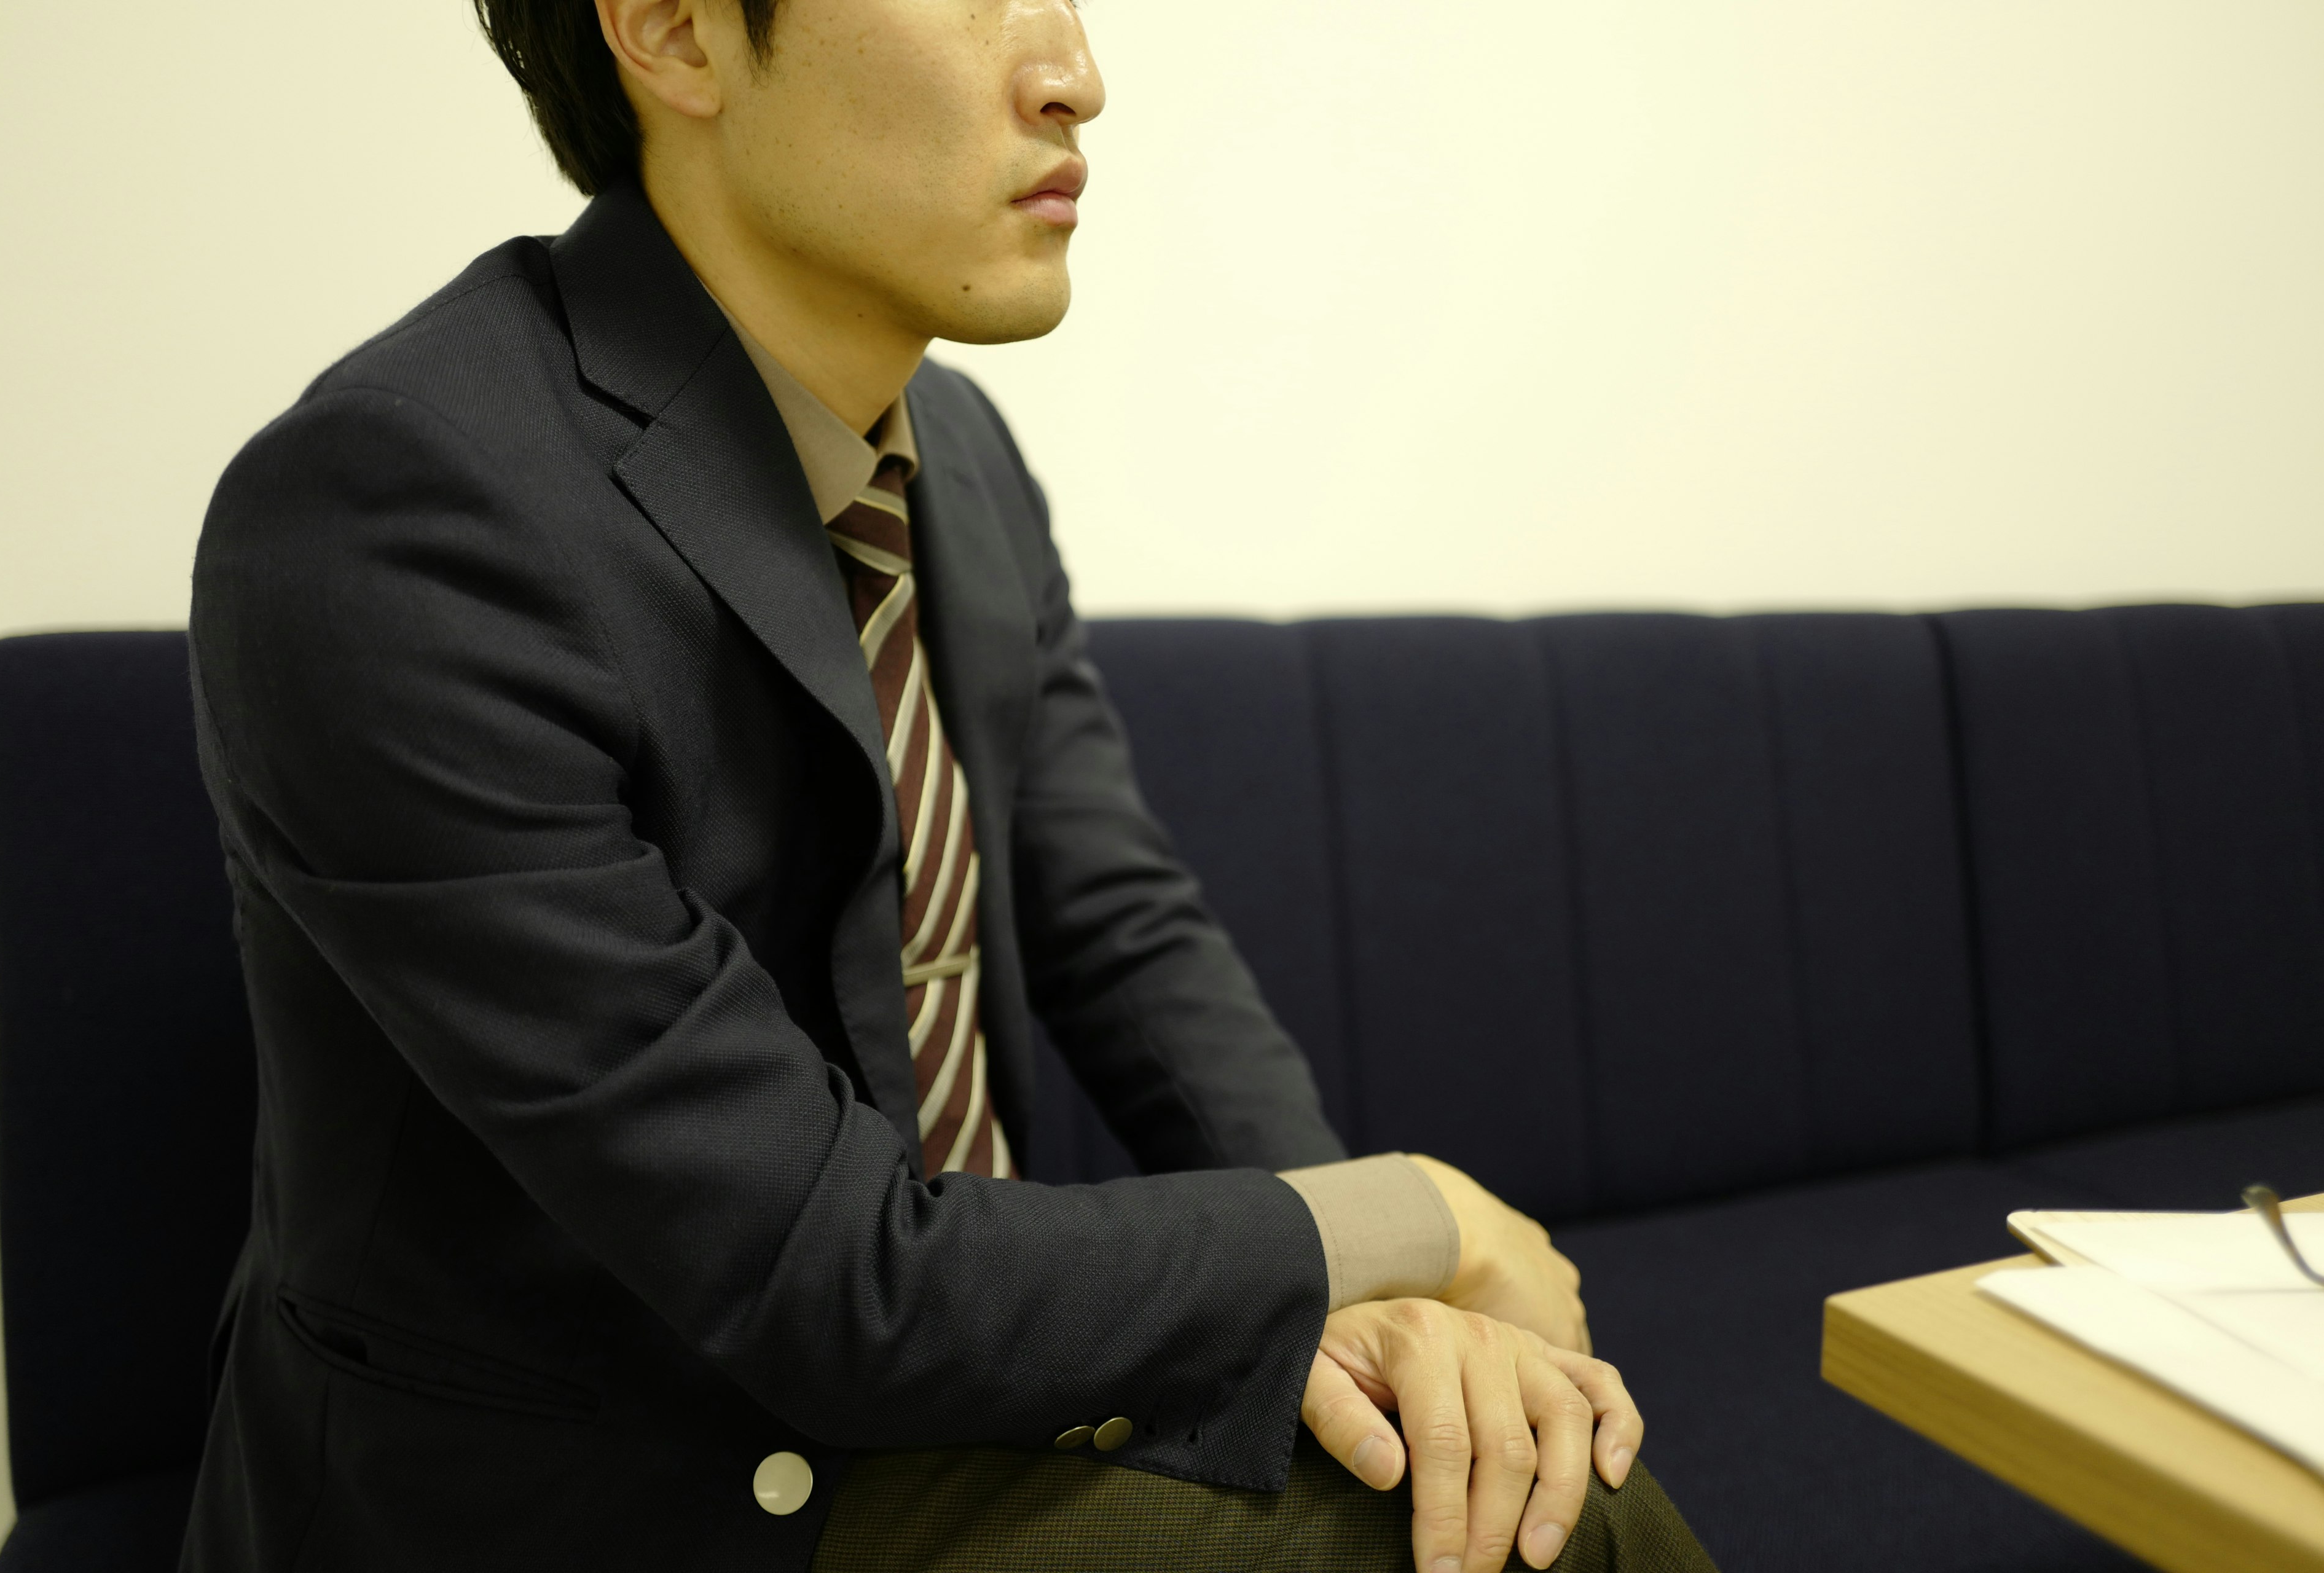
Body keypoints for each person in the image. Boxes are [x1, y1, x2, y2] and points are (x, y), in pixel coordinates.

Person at [183, 1, 1719, 1569]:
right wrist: (1418, 1221)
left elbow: (1120, 929)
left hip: (952, 1384)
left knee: (1517, 1476)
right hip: (628, 1484)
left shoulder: (957, 457)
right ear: (674, 36)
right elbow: (822, 1269)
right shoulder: (392, 514)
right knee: (1557, 1528)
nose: (1076, 77)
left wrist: (1378, 1300)